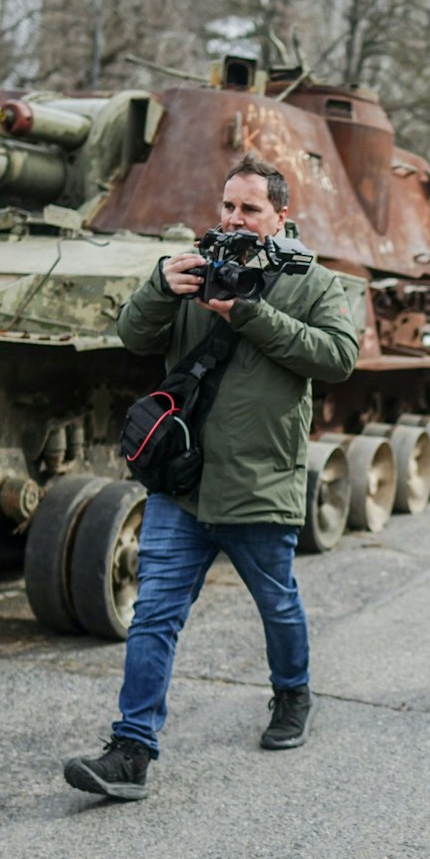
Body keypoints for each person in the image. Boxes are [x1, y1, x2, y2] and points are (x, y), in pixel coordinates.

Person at [64, 155, 362, 801]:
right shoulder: (191, 270)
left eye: (249, 209)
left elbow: (339, 358)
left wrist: (250, 315)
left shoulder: (313, 283)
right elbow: (132, 336)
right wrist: (157, 287)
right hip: (182, 480)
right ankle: (131, 751)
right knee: (154, 615)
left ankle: (292, 696)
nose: (234, 219)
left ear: (282, 218)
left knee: (277, 603)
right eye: (227, 206)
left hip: (260, 482)